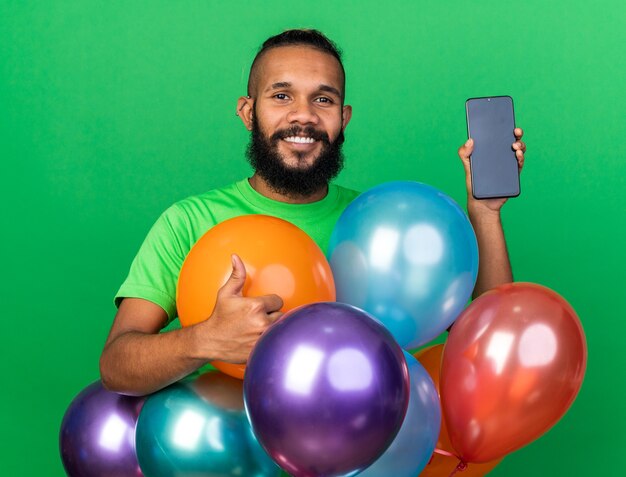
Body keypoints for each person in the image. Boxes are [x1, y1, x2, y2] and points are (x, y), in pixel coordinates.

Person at [100, 29, 526, 396]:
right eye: (282, 95)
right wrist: (203, 341)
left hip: (366, 456)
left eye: (323, 99)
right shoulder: (189, 221)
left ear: (344, 118)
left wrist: (485, 214)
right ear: (248, 112)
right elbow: (116, 366)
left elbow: (491, 345)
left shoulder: (381, 226)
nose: (303, 116)